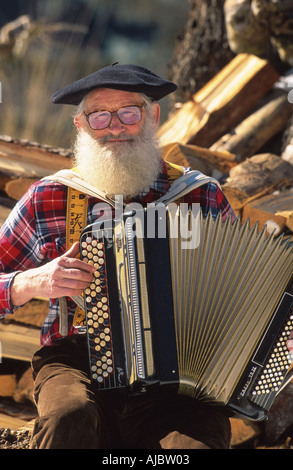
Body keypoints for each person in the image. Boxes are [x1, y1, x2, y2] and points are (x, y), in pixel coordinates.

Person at [0, 63, 235, 449]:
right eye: (99, 116)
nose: (114, 127)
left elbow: (244, 285)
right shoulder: (49, 197)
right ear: (80, 125)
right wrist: (32, 281)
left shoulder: (198, 194)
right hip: (77, 359)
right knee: (69, 420)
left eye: (128, 112)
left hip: (183, 372)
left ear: (153, 116)